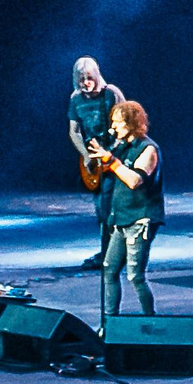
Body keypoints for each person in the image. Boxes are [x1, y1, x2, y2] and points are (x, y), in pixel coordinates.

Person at [97, 101, 164, 319]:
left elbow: (135, 180)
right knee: (109, 269)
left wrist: (112, 162)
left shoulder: (148, 149)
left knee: (135, 276)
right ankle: (109, 324)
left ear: (132, 122)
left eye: (118, 122)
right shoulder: (121, 146)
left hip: (141, 219)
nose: (113, 127)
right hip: (122, 219)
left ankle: (150, 320)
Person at [67, 58, 125, 270]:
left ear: (96, 76)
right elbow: (73, 131)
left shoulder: (111, 94)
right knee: (101, 209)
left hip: (114, 158)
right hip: (93, 162)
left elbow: (125, 125)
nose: (85, 83)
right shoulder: (76, 99)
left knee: (108, 207)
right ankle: (107, 252)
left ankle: (111, 255)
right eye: (81, 79)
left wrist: (110, 153)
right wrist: (85, 154)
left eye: (89, 78)